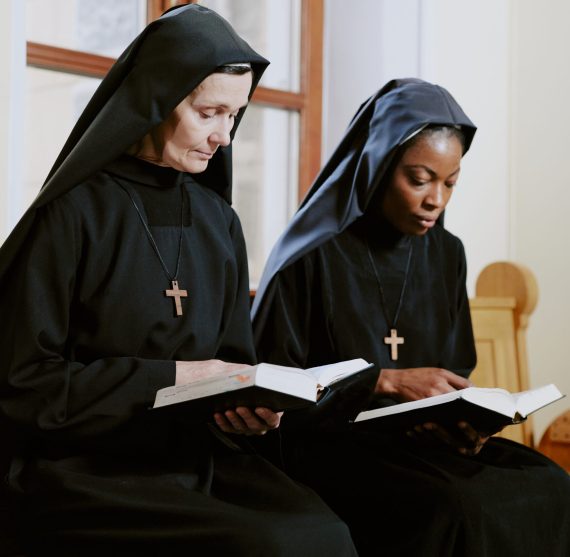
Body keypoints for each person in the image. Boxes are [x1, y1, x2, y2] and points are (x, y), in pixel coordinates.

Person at [0, 5, 359, 556]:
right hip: (87, 468)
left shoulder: (220, 222)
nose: (224, 135)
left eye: (235, 115)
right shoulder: (71, 214)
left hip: (196, 459)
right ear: (157, 97)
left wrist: (245, 413)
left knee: (326, 532)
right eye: (209, 112)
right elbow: (26, 385)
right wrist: (176, 377)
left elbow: (234, 363)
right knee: (269, 544)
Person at [252, 78, 570, 556]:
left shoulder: (446, 253)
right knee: (456, 507)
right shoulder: (311, 255)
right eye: (419, 180)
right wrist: (384, 383)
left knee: (550, 483)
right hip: (331, 446)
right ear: (378, 166)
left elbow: (455, 368)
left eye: (450, 182)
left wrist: (462, 423)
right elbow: (274, 391)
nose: (435, 200)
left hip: (419, 445)